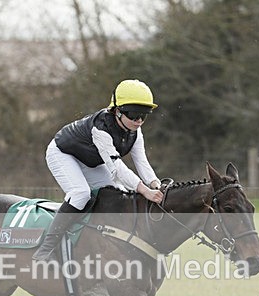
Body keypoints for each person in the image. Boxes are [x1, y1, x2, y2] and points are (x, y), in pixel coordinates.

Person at [32, 79, 165, 261]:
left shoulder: (135, 130)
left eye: (144, 115)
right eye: (134, 114)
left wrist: (155, 184)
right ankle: (46, 249)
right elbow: (117, 168)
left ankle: (97, 244)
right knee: (81, 194)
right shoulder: (101, 129)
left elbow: (142, 161)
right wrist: (144, 190)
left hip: (90, 160)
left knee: (117, 194)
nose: (139, 120)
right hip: (63, 154)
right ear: (117, 111)